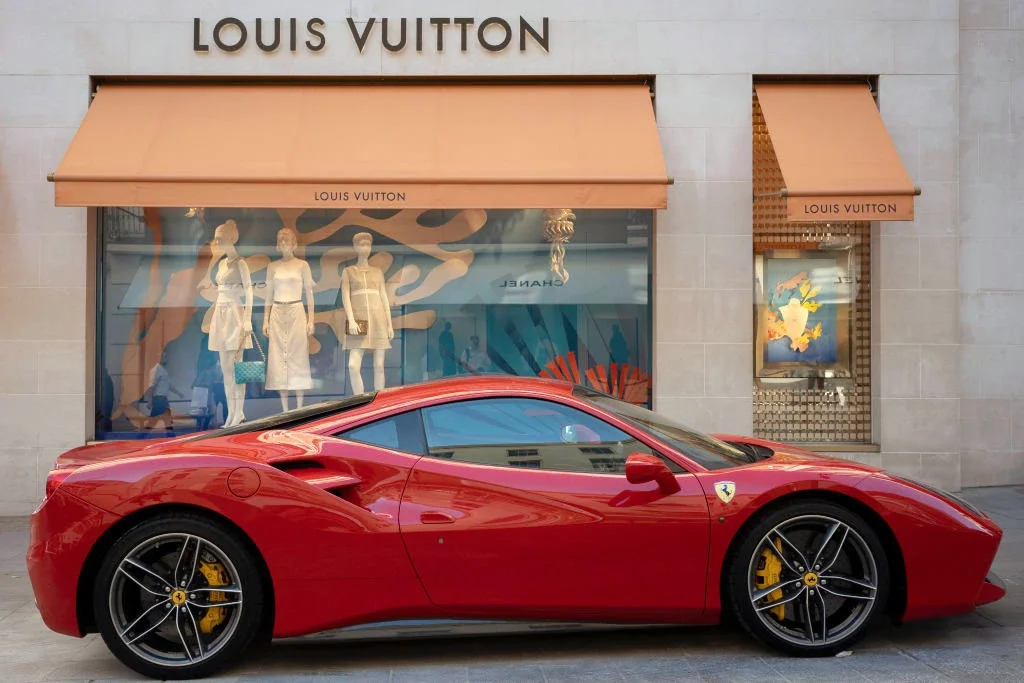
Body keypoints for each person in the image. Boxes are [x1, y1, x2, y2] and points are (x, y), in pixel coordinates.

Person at [263, 227, 315, 411]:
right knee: (277, 357)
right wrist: (265, 320)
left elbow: (309, 293)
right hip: (277, 311)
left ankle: (300, 407)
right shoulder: (272, 267)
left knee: (298, 356)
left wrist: (311, 320)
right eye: (281, 240)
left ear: (294, 243)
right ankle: (284, 409)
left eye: (287, 240)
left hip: (296, 310)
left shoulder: (302, 265)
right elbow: (268, 295)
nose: (284, 243)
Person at [143, 349, 184, 431]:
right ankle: (143, 436)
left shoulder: (163, 370)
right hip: (158, 399)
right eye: (164, 356)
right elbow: (151, 386)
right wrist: (149, 401)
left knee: (165, 420)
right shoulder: (156, 370)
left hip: (163, 399)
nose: (166, 358)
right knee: (156, 419)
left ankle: (169, 435)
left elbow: (169, 385)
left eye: (166, 356)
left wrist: (178, 393)